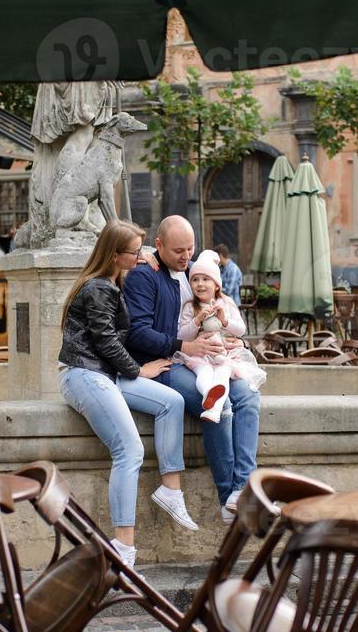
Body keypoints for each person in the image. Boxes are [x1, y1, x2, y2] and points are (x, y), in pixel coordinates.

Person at [58, 220, 192, 567]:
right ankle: (124, 549)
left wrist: (146, 253)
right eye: (135, 253)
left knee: (171, 401)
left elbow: (110, 342)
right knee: (130, 449)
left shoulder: (113, 280)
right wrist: (138, 370)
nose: (142, 258)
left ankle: (170, 489)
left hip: (105, 373)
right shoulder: (98, 288)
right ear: (116, 256)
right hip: (84, 374)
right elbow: (105, 342)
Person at [124, 215, 261, 524]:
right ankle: (228, 498)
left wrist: (235, 343)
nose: (186, 257)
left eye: (191, 248)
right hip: (167, 364)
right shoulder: (144, 275)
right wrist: (187, 348)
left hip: (209, 358)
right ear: (159, 246)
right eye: (178, 251)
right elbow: (138, 333)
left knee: (249, 396)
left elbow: (219, 308)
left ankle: (243, 489)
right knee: (218, 402)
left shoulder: (189, 273)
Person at [175, 250, 265, 423]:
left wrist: (225, 320)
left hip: (225, 354)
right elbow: (181, 335)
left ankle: (214, 410)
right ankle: (209, 394)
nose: (200, 284)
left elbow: (241, 330)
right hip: (200, 356)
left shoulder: (226, 303)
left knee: (223, 372)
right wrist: (197, 320)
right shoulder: (189, 307)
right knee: (204, 373)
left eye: (205, 279)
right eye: (195, 279)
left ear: (216, 284)